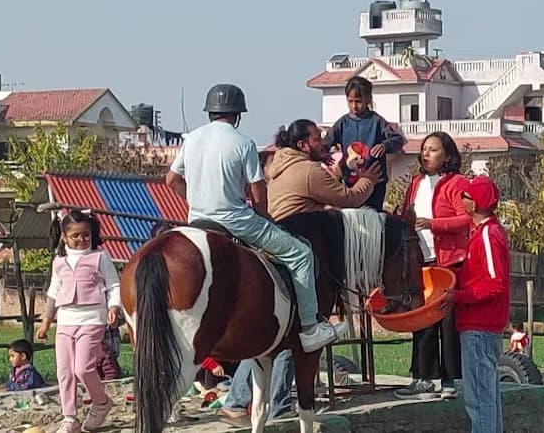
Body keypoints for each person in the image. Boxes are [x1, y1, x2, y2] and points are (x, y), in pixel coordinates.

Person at [222, 119, 383, 425]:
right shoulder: (308, 171)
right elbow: (348, 199)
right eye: (318, 138)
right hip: (295, 244)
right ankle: (271, 397)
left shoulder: (282, 167)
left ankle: (251, 399)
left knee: (273, 333)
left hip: (272, 242)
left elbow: (318, 190)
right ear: (302, 145)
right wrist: (369, 181)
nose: (323, 142)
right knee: (300, 327)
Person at [165, 84, 346, 353]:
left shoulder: (191, 139)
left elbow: (171, 179)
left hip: (198, 221)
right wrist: (267, 219)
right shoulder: (243, 143)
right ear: (237, 114)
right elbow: (257, 191)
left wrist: (195, 202)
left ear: (210, 112)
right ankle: (310, 327)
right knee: (302, 254)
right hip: (236, 220)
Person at [394, 131, 468, 400]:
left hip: (448, 262)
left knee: (448, 323)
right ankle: (423, 377)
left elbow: (465, 219)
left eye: (433, 149)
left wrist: (433, 224)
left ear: (447, 155)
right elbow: (406, 216)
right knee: (421, 319)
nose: (426, 154)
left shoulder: (457, 183)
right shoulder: (416, 182)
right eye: (424, 149)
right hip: (419, 260)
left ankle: (451, 380)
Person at [36, 210, 121, 433]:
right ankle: (69, 417)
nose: (82, 239)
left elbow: (114, 285)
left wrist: (113, 307)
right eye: (76, 236)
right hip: (65, 321)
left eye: (86, 235)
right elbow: (54, 292)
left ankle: (101, 403)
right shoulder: (59, 262)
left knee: (83, 368)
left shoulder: (100, 257)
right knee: (64, 370)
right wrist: (46, 322)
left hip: (92, 319)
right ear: (64, 236)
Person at [443, 176, 510, 433]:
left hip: (480, 325)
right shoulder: (484, 233)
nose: (463, 200)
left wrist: (459, 296)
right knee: (487, 396)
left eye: (467, 196)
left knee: (479, 400)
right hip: (482, 325)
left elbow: (495, 283)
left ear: (478, 202)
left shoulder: (487, 236)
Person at [324, 76, 405, 211]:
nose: (354, 106)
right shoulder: (342, 124)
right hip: (350, 182)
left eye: (358, 101)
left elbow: (398, 140)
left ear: (368, 99)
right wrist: (323, 157)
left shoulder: (376, 121)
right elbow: (326, 143)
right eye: (350, 101)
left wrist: (385, 145)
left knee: (372, 218)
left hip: (375, 183)